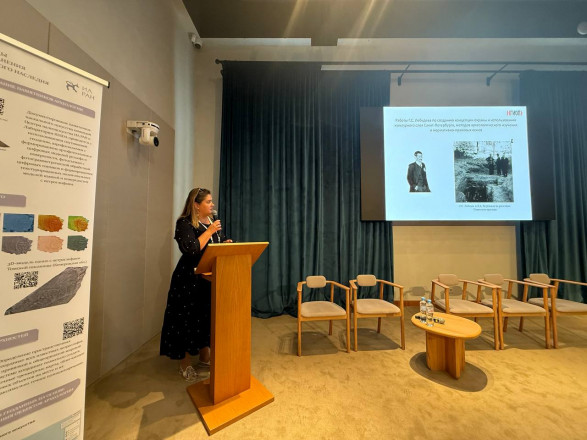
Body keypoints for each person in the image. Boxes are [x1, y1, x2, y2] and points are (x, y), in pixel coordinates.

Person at [160, 187, 232, 382]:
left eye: (211, 201)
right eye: (208, 201)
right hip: (188, 280)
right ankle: (184, 363)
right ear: (196, 205)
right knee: (186, 321)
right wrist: (210, 231)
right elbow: (191, 249)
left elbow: (215, 245)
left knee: (205, 318)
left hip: (208, 278)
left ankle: (204, 357)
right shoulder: (184, 223)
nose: (212, 204)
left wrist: (225, 243)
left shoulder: (211, 222)